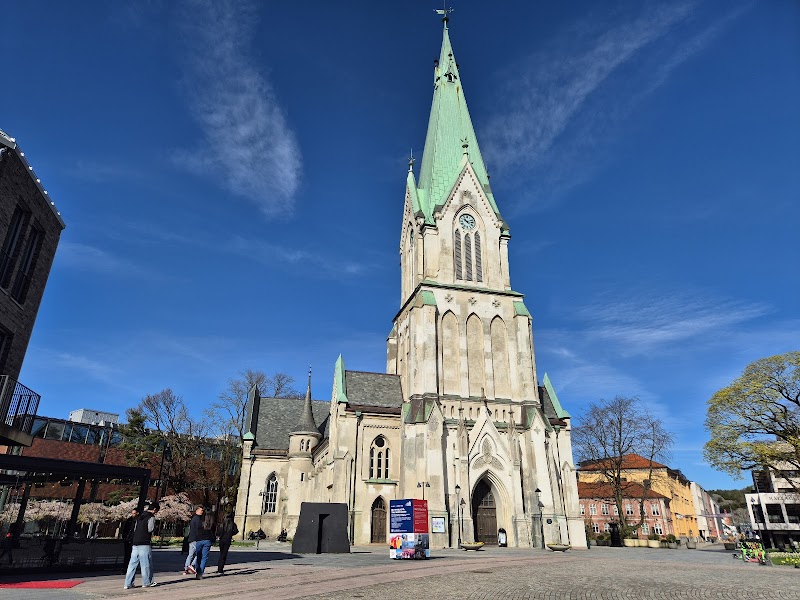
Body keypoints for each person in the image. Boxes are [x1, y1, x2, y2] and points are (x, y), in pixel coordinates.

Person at [124, 501, 159, 589]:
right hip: (144, 542)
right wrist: (156, 527)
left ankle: (128, 583)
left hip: (135, 542)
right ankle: (146, 582)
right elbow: (150, 529)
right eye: (156, 511)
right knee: (145, 564)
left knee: (132, 564)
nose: (156, 512)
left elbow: (135, 528)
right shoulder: (151, 517)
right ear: (154, 509)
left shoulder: (140, 516)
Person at [194, 510, 216, 579]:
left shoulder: (201, 522)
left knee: (198, 556)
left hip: (199, 540)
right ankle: (200, 573)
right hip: (207, 540)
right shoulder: (212, 524)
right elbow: (214, 533)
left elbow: (196, 531)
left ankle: (198, 571)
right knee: (204, 557)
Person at [183, 505, 204, 575]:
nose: (202, 512)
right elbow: (198, 530)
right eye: (201, 510)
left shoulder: (193, 518)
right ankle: (191, 565)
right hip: (195, 539)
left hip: (191, 538)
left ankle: (186, 568)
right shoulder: (198, 519)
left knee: (190, 554)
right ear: (197, 510)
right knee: (199, 553)